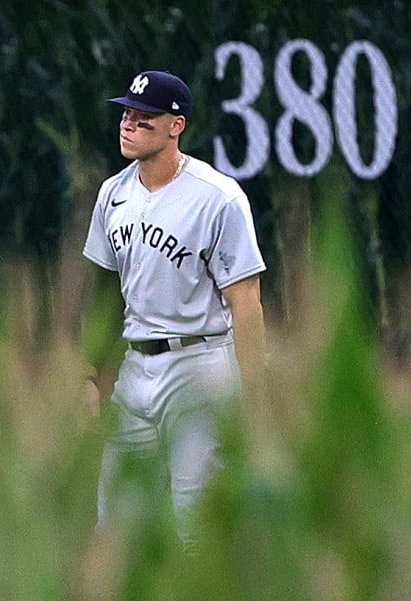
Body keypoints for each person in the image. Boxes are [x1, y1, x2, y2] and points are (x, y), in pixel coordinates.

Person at [81, 69, 268, 537]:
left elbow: (246, 302)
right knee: (116, 522)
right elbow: (104, 293)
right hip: (133, 367)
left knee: (195, 524)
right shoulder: (113, 194)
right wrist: (92, 375)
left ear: (176, 126)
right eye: (127, 113)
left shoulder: (218, 199)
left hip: (198, 366)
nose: (129, 123)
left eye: (144, 118)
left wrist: (256, 398)